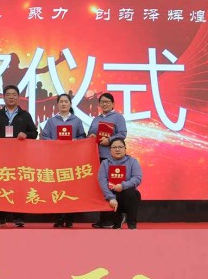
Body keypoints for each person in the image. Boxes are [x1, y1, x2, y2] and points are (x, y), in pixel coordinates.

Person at [0, 84, 38, 227]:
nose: (11, 97)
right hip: (2, 157)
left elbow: (34, 133)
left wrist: (26, 135)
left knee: (19, 186)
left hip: (20, 157)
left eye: (14, 95)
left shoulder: (25, 115)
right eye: (8, 95)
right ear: (4, 97)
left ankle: (18, 217)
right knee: (1, 186)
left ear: (18, 97)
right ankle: (1, 217)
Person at [41, 93, 86, 228]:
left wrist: (75, 140)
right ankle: (59, 218)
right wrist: (54, 142)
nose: (63, 104)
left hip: (72, 159)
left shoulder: (76, 121)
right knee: (57, 188)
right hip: (56, 159)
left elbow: (82, 137)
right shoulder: (51, 121)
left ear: (70, 104)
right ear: (57, 104)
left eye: (66, 101)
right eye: (61, 101)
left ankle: (70, 218)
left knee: (71, 188)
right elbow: (44, 137)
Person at [88, 92, 127, 228]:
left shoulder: (118, 117)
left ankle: (114, 218)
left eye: (107, 102)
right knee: (101, 187)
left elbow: (122, 134)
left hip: (111, 157)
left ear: (113, 104)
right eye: (102, 102)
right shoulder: (96, 119)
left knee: (111, 186)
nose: (105, 104)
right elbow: (90, 133)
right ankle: (103, 219)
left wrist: (109, 140)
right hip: (96, 156)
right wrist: (91, 136)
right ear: (99, 104)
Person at [97, 138, 142, 230]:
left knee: (133, 193)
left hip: (127, 194)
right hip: (111, 194)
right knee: (103, 195)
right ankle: (117, 222)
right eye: (114, 147)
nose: (117, 149)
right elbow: (102, 181)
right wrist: (111, 197)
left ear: (125, 148)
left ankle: (131, 224)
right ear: (110, 150)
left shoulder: (133, 161)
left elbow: (137, 178)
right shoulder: (105, 163)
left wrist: (122, 186)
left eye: (120, 147)